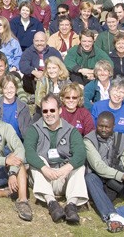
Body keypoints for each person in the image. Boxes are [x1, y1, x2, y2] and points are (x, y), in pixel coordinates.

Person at [23, 94, 88, 224]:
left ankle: (71, 205)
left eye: (52, 110)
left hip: (64, 176)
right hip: (44, 178)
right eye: (45, 111)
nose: (49, 114)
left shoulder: (71, 130)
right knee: (37, 160)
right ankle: (52, 203)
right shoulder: (34, 129)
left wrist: (68, 167)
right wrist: (44, 167)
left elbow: (81, 153)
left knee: (79, 165)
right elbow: (29, 151)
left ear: (59, 110)